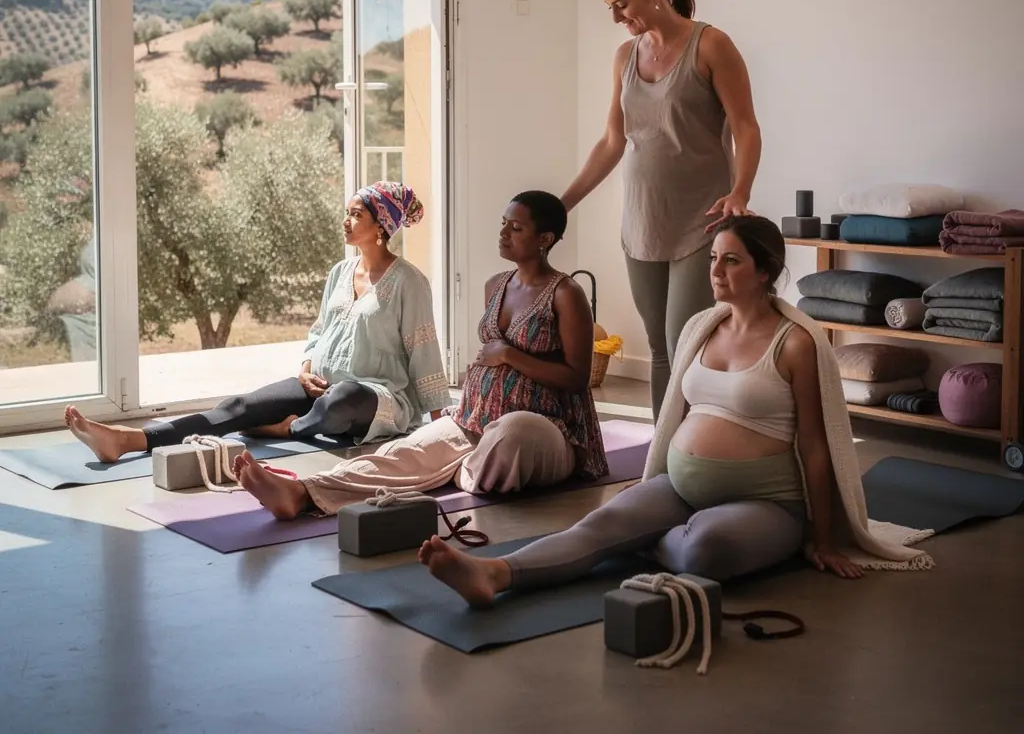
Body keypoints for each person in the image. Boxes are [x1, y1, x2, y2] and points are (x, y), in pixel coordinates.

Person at [419, 216, 933, 608]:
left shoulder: (794, 343)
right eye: (713, 258)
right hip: (682, 488)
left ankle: (650, 539)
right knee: (595, 527)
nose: (715, 270)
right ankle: (493, 574)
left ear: (766, 271)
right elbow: (677, 418)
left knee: (703, 553)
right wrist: (651, 481)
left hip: (768, 503)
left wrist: (823, 538)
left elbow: (817, 446)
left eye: (731, 260)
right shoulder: (704, 328)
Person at [229, 190, 609, 519]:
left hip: (547, 429)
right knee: (403, 451)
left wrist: (509, 354)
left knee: (511, 433)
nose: (503, 233)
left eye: (516, 228)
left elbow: (577, 378)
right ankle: (301, 493)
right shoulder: (496, 285)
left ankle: (460, 469)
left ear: (545, 239)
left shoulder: (566, 293)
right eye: (504, 223)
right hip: (476, 419)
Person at [64, 181, 448, 462]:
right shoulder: (339, 272)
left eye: (356, 214)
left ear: (382, 226)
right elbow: (319, 332)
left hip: (373, 396)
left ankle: (288, 428)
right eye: (346, 212)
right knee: (237, 406)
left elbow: (424, 351)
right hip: (318, 386)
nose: (346, 221)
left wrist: (440, 429)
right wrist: (304, 369)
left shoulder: (409, 283)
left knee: (340, 400)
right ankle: (127, 440)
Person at [562, 0, 762, 420]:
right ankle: (662, 459)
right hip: (642, 222)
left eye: (621, 4)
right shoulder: (625, 57)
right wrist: (562, 204)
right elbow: (613, 141)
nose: (615, 17)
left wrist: (741, 192)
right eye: (609, 7)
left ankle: (697, 452)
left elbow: (746, 127)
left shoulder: (711, 46)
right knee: (658, 349)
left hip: (702, 220)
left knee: (683, 344)